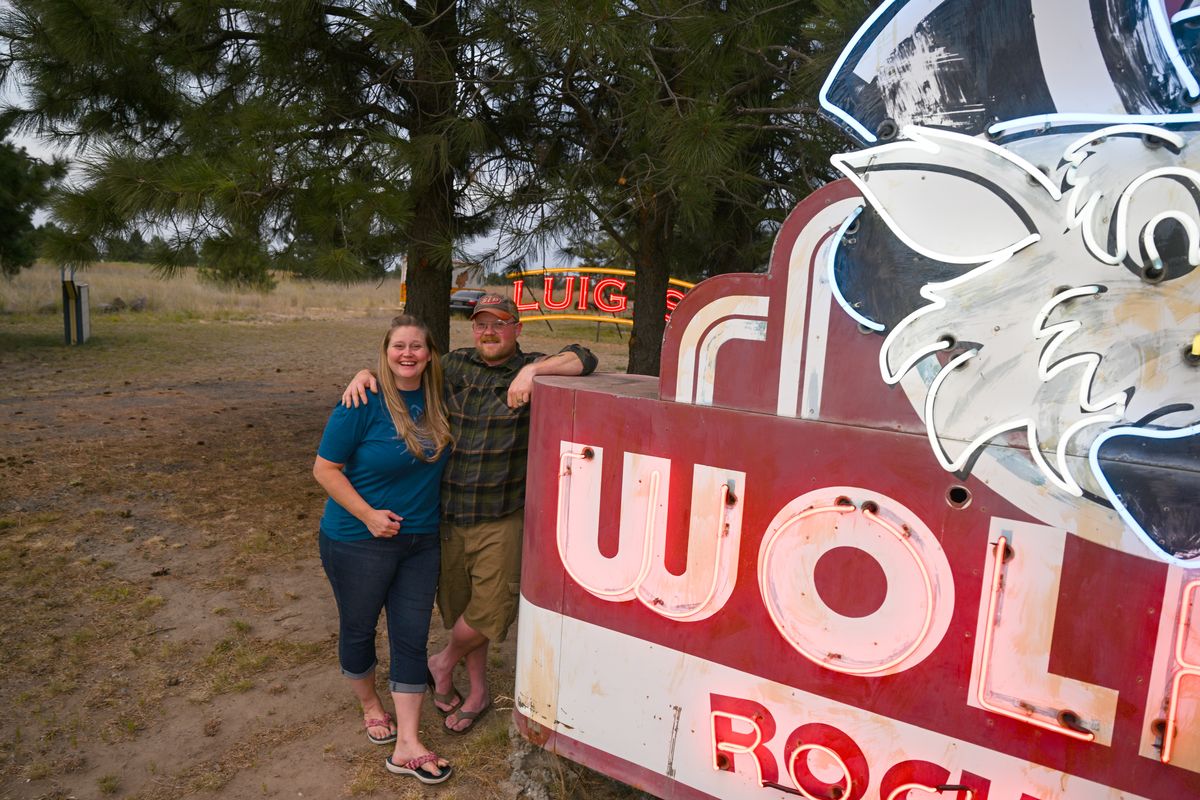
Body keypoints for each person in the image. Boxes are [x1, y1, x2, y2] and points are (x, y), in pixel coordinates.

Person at [342, 294, 597, 734]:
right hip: (446, 513)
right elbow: (405, 366)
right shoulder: (454, 366)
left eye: (500, 323)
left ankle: (441, 661)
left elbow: (585, 357)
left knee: (491, 609)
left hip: (500, 514)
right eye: (481, 324)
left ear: (517, 328)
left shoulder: (534, 367)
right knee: (459, 606)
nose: (490, 332)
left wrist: (533, 371)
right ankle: (475, 691)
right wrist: (366, 374)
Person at [313, 315, 455, 784]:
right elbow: (325, 469)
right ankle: (371, 704)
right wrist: (369, 515)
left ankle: (408, 742)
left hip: (421, 541)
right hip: (357, 539)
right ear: (385, 351)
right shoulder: (362, 400)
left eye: (417, 346)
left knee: (411, 635)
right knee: (359, 628)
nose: (408, 353)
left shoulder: (440, 397)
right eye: (399, 346)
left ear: (430, 353)